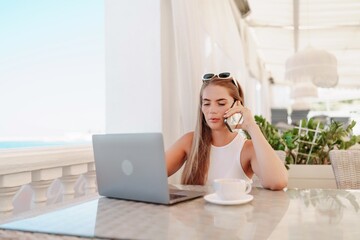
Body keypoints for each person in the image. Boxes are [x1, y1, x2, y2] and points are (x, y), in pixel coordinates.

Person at [166, 72, 288, 190]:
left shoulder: (247, 148)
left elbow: (277, 182)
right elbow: (153, 174)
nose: (212, 110)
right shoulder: (190, 141)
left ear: (237, 105)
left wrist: (251, 125)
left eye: (221, 103)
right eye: (207, 103)